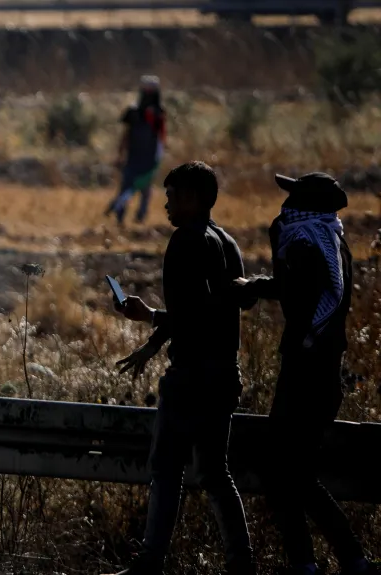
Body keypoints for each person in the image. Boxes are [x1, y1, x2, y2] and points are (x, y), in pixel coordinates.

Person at [107, 161, 254, 575]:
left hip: (190, 376)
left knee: (167, 469)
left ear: (192, 198)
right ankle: (241, 564)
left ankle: (150, 562)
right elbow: (210, 311)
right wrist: (152, 332)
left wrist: (151, 326)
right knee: (216, 474)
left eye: (172, 197)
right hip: (223, 374)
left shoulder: (185, 241)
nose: (166, 205)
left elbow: (190, 315)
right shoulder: (227, 242)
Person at [231, 173, 378, 575]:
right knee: (291, 473)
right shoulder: (328, 240)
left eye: (291, 199)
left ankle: (331, 561)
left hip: (306, 371)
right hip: (319, 370)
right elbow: (298, 289)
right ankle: (336, 561)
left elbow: (296, 292)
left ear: (304, 206)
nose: (283, 208)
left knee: (285, 473)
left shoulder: (305, 241)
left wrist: (254, 284)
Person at [106, 75, 167, 225]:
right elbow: (126, 135)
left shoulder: (158, 113)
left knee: (145, 189)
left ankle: (140, 217)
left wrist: (159, 155)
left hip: (149, 158)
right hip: (133, 157)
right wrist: (120, 154)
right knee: (127, 187)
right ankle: (119, 216)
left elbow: (161, 136)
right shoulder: (133, 112)